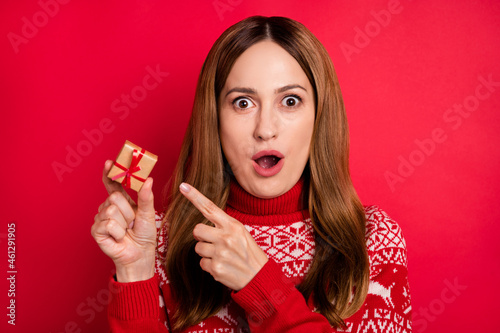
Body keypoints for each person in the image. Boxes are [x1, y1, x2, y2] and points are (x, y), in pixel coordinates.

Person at [92, 15, 412, 333]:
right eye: (243, 103)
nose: (265, 129)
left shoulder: (374, 241)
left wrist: (262, 287)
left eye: (290, 101)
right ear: (214, 119)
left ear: (319, 118)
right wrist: (135, 271)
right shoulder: (162, 241)